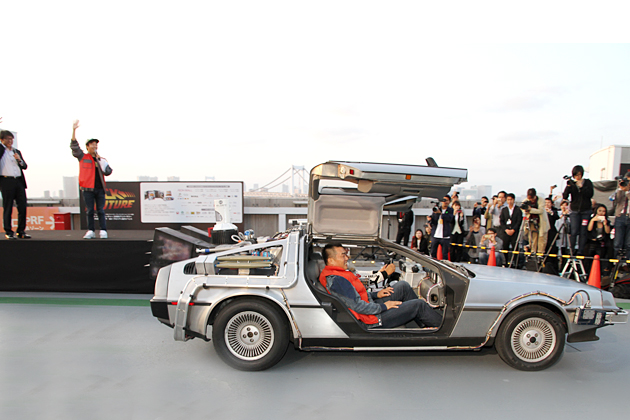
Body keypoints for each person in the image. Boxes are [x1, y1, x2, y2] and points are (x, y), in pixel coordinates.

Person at [319, 243, 443, 329]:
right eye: (343, 255)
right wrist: (384, 306)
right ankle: (443, 329)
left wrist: (376, 294)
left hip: (370, 307)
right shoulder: (337, 280)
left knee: (403, 286)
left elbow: (356, 295)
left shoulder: (338, 274)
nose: (347, 258)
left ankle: (425, 324)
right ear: (331, 260)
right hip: (371, 319)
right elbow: (357, 306)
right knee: (419, 305)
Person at [70, 120, 113, 239]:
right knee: (89, 211)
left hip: (100, 189)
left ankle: (103, 230)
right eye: (92, 144)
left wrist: (102, 162)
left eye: (95, 144)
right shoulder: (83, 157)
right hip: (87, 189)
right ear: (87, 146)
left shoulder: (101, 159)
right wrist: (74, 130)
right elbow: (74, 147)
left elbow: (108, 172)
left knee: (101, 210)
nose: (94, 146)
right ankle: (91, 230)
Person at [0, 130, 30, 239]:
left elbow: (24, 166)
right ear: (2, 140)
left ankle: (21, 231)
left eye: (11, 139)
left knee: (22, 206)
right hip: (6, 181)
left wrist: (19, 160)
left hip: (19, 181)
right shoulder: (1, 150)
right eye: (8, 139)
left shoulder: (16, 151)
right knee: (8, 207)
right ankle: (8, 231)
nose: (10, 141)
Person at [563, 165, 594, 255]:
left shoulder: (587, 182)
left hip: (586, 210)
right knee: (574, 231)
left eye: (579, 175)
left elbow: (590, 194)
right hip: (575, 210)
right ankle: (571, 250)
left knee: (583, 231)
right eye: (576, 175)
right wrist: (569, 186)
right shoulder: (572, 183)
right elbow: (565, 196)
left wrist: (581, 187)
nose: (577, 177)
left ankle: (581, 251)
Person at [584, 203, 613, 277]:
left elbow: (607, 232)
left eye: (603, 211)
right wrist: (593, 220)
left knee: (599, 260)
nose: (601, 213)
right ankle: (587, 274)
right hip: (591, 242)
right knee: (588, 260)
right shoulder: (591, 219)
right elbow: (589, 229)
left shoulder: (606, 220)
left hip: (600, 243)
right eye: (600, 211)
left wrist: (605, 224)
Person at [522, 188, 550, 256]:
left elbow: (540, 211)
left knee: (541, 239)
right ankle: (532, 253)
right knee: (532, 239)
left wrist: (530, 209)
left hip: (541, 222)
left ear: (535, 196)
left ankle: (540, 254)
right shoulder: (525, 201)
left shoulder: (541, 200)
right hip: (531, 222)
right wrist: (526, 210)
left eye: (532, 198)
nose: (530, 200)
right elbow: (523, 210)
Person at [499, 193, 522, 265]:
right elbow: (501, 221)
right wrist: (506, 229)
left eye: (511, 199)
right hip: (506, 231)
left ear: (514, 200)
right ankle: (505, 262)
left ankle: (516, 263)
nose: (509, 201)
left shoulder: (518, 210)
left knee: (515, 247)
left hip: (514, 232)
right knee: (505, 247)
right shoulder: (504, 209)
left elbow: (519, 221)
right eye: (508, 199)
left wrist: (513, 230)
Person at [612, 176, 630, 258]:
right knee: (617, 242)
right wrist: (620, 188)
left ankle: (627, 262)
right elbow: (616, 200)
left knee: (628, 243)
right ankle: (616, 261)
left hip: (629, 216)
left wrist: (628, 191)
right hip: (620, 216)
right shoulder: (620, 190)